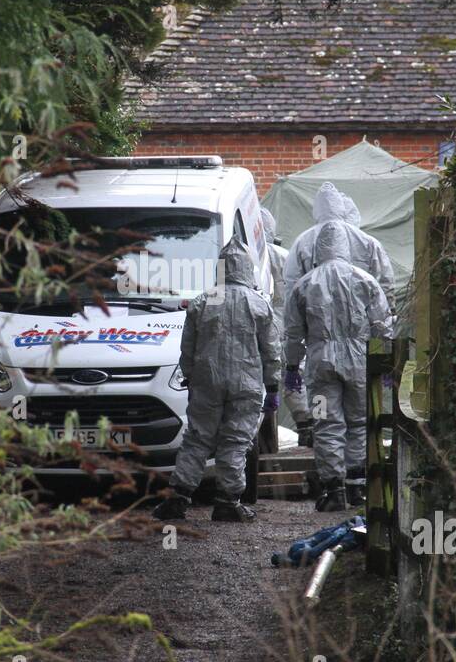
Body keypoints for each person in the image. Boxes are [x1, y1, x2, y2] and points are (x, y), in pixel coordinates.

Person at [153, 235, 281, 523]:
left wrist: (188, 377)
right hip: (246, 382)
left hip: (206, 381)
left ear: (220, 268)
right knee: (236, 440)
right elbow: (271, 350)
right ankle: (228, 500)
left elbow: (188, 348)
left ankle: (179, 498)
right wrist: (272, 385)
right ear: (247, 268)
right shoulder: (259, 304)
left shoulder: (202, 302)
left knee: (197, 438)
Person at [282, 181, 395, 484]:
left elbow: (292, 329)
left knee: (325, 421)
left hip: (319, 362)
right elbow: (384, 316)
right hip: (359, 358)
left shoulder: (304, 278)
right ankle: (356, 483)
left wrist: (292, 366)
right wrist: (385, 356)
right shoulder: (366, 276)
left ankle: (332, 487)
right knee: (359, 420)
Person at [259, 208, 310, 445]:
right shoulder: (286, 255)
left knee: (261, 386)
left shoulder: (242, 258)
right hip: (288, 330)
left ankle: (264, 439)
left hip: (257, 334)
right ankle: (307, 427)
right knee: (295, 380)